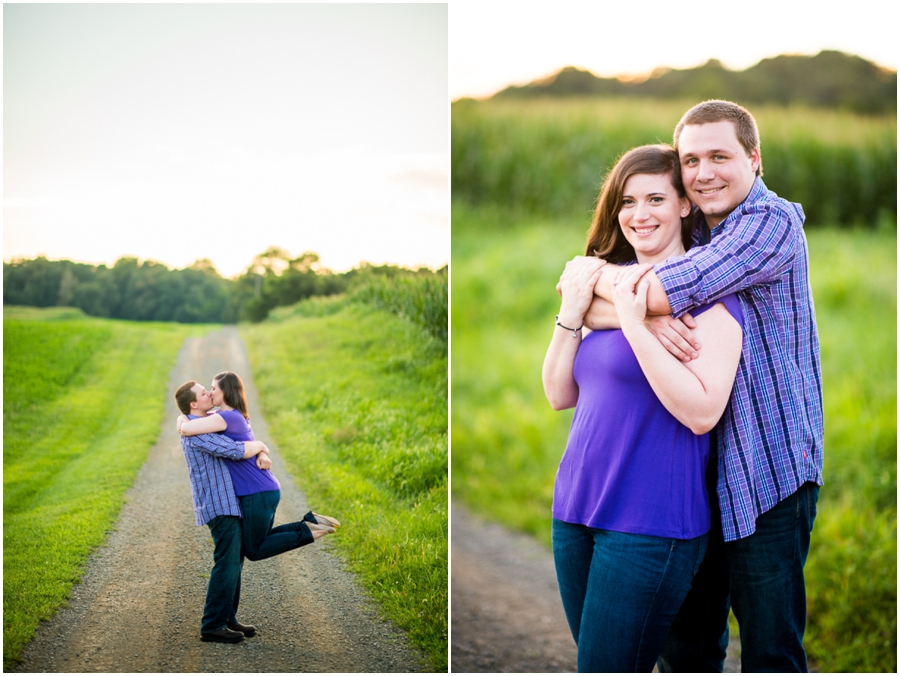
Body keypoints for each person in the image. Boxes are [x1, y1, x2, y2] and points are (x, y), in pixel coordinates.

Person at [582, 100, 824, 672]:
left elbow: (633, 293)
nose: (704, 171)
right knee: (689, 647)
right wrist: (630, 304)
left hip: (768, 469)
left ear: (754, 159)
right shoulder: (695, 225)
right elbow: (590, 300)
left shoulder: (769, 223)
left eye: (720, 156)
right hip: (696, 471)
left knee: (770, 650)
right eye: (691, 160)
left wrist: (608, 290)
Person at [542, 144, 744, 672]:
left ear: (684, 205)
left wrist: (635, 324)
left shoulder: (713, 299)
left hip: (651, 522)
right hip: (575, 508)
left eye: (656, 198)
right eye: (627, 202)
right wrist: (572, 315)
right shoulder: (604, 286)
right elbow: (559, 394)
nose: (639, 214)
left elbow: (702, 413)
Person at [177, 371, 340, 564]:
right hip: (261, 488)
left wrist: (182, 424)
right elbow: (193, 422)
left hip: (256, 490)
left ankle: (309, 530)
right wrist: (262, 449)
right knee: (259, 540)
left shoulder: (224, 418)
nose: (210, 393)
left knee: (254, 550)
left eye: (213, 389)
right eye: (207, 390)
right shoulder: (224, 416)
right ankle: (311, 523)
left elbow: (189, 429)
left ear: (225, 391)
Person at [174, 380, 277, 644]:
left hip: (227, 503)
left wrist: (261, 450)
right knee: (227, 563)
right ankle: (212, 625)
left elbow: (243, 432)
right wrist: (261, 445)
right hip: (219, 506)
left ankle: (228, 618)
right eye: (203, 392)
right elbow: (235, 450)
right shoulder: (197, 434)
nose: (209, 393)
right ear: (194, 403)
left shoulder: (200, 422)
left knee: (235, 563)